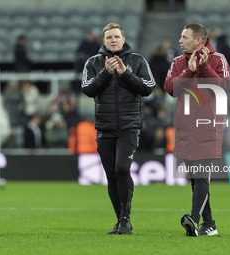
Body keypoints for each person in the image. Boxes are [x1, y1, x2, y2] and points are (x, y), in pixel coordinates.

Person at [81, 23, 155, 235]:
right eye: (109, 37)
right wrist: (106, 73)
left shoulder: (137, 60)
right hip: (105, 127)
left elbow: (148, 88)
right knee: (112, 175)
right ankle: (120, 220)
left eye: (116, 37)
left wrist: (124, 74)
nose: (113, 40)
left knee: (122, 168)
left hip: (129, 126)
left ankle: (125, 218)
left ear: (123, 39)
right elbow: (87, 89)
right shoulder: (93, 63)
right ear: (103, 41)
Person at [164, 23, 230, 237]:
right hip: (184, 128)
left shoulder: (217, 59)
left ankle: (193, 218)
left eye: (184, 37)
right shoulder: (177, 62)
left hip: (207, 128)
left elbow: (221, 89)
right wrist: (189, 70)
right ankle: (209, 224)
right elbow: (171, 89)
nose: (180, 40)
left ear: (198, 40)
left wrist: (203, 68)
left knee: (201, 176)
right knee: (195, 178)